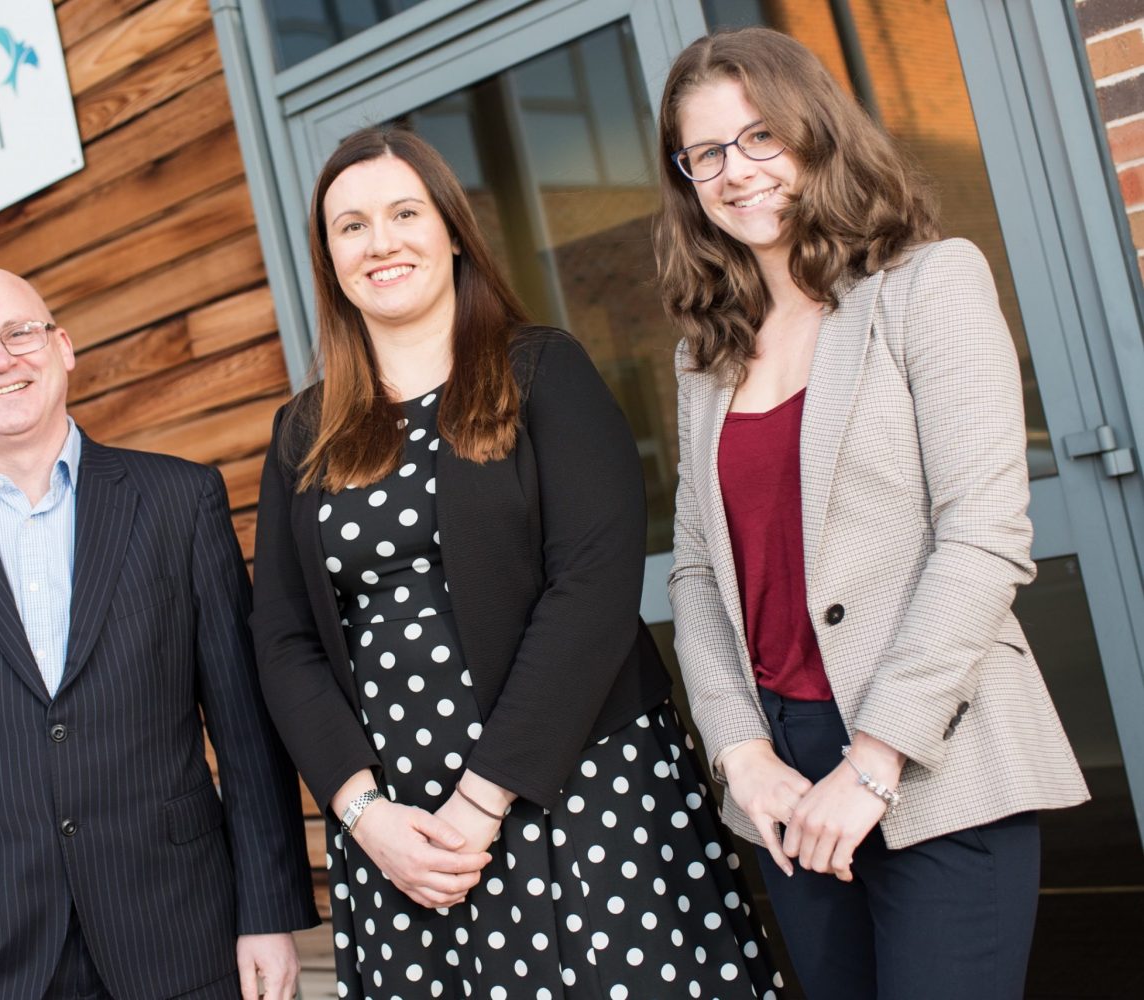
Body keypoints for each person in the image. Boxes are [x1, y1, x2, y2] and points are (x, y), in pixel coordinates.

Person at [251, 124, 779, 997]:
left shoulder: (543, 371)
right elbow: (283, 638)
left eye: (403, 213)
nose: (380, 242)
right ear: (328, 256)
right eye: (351, 226)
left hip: (582, 794)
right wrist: (362, 815)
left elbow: (593, 589)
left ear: (452, 230)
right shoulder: (302, 432)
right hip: (403, 842)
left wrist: (482, 798)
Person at [658, 27, 1090, 1000]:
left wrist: (874, 760)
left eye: (760, 134)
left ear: (813, 129)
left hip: (934, 752)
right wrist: (741, 755)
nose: (738, 171)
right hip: (784, 781)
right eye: (707, 153)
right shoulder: (704, 358)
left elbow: (982, 535)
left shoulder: (926, 284)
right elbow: (693, 573)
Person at [0, 268, 318, 1000]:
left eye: (18, 333)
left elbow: (245, 730)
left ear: (62, 346)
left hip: (184, 936)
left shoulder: (179, 501)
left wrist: (266, 912)